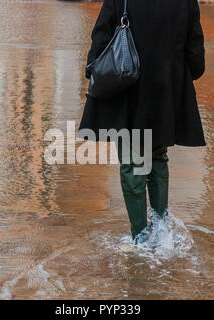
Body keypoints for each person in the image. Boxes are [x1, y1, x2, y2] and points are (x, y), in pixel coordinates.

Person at [79, 0, 206, 244]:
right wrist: (181, 74)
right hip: (165, 89)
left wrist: (95, 73)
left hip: (130, 87)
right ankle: (162, 232)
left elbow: (102, 35)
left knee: (133, 163)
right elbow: (195, 49)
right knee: (157, 157)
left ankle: (140, 238)